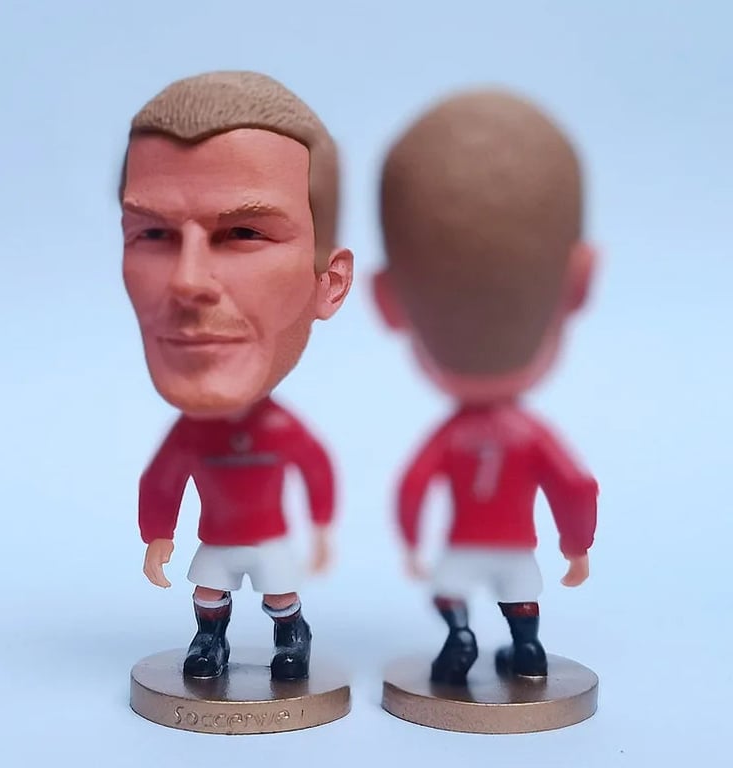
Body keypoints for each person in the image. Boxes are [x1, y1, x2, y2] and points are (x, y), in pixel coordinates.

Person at [121, 71, 353, 681]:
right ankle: (209, 642)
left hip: (270, 537)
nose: (186, 282)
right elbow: (163, 478)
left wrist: (322, 528)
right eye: (153, 232)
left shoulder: (281, 428)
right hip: (218, 538)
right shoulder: (192, 433)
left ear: (328, 283)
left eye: (245, 233)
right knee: (208, 593)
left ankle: (292, 636)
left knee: (280, 593)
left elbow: (315, 468)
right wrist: (157, 533)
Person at [373, 90, 598, 685]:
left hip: (463, 544)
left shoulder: (451, 436)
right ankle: (528, 650)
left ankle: (460, 635)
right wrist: (576, 545)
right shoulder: (532, 435)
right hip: (518, 545)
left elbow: (413, 484)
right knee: (520, 596)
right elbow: (575, 485)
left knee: (449, 591)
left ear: (388, 303)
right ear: (579, 285)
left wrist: (411, 542)